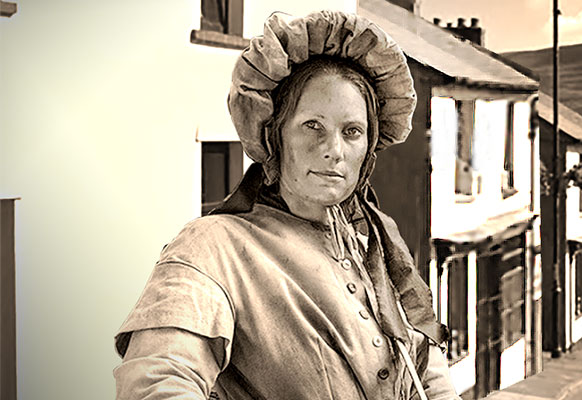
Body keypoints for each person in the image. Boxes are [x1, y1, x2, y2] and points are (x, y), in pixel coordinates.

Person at [112, 11, 460, 400]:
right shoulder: (212, 248)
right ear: (275, 136)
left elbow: (427, 373)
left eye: (352, 132)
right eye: (313, 125)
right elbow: (156, 383)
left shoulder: (371, 249)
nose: (333, 151)